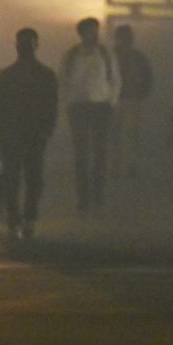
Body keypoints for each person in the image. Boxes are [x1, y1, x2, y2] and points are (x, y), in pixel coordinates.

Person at [0, 28, 58, 244]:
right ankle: (22, 219)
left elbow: (51, 107)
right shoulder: (44, 75)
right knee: (25, 179)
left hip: (26, 134)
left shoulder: (11, 75)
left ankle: (21, 219)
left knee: (26, 179)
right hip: (23, 134)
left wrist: (46, 130)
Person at [62, 18, 119, 215]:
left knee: (100, 154)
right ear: (82, 33)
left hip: (100, 107)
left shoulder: (105, 53)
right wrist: (68, 104)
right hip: (79, 108)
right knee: (81, 155)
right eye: (89, 31)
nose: (93, 35)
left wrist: (111, 103)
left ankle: (98, 196)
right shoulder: (71, 55)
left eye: (95, 31)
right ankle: (83, 198)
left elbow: (116, 80)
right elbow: (64, 82)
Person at [111, 24, 154, 181]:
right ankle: (118, 165)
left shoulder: (137, 58)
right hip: (117, 101)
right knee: (116, 135)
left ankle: (130, 165)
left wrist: (141, 94)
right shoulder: (112, 57)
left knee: (131, 135)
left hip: (131, 99)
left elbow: (148, 78)